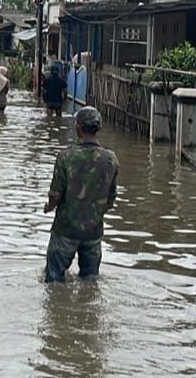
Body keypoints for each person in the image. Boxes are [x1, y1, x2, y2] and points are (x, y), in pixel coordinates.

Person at [43, 107, 119, 282]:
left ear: (78, 128)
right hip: (93, 232)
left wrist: (49, 207)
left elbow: (55, 195)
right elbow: (110, 199)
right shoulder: (111, 159)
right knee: (90, 283)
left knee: (54, 281)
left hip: (65, 229)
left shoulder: (65, 157)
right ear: (99, 128)